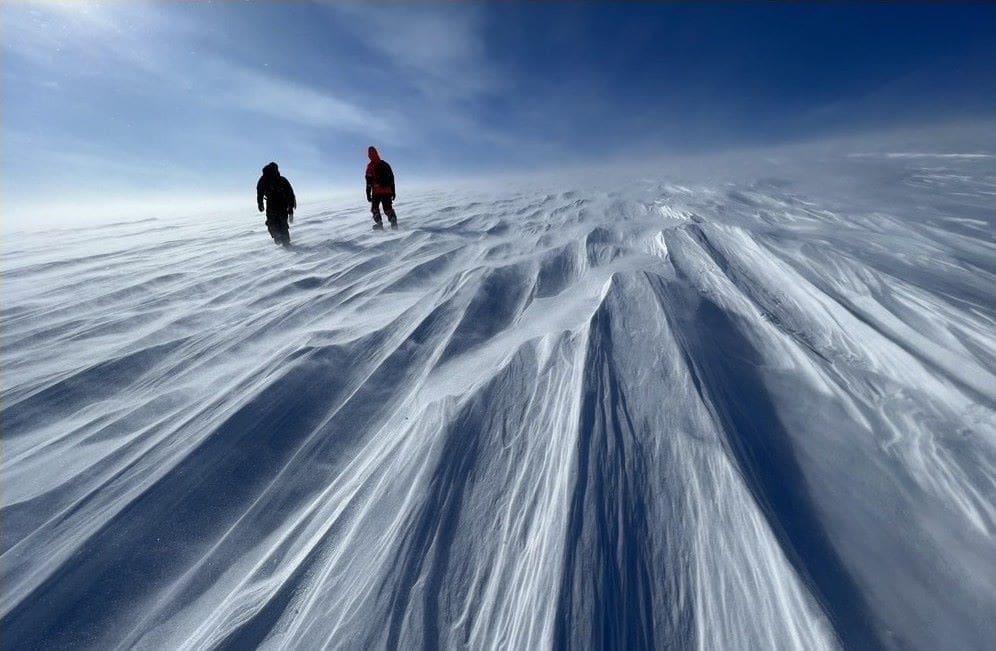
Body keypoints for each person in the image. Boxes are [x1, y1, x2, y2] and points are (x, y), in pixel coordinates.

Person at [256, 162, 296, 246]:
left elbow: (290, 193)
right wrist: (260, 204)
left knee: (278, 223)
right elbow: (260, 192)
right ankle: (282, 241)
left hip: (279, 204)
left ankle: (284, 242)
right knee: (276, 223)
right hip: (275, 204)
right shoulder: (265, 180)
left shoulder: (278, 180)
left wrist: (291, 208)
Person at [365, 146, 397, 229]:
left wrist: (368, 194)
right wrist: (393, 191)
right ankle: (393, 221)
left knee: (375, 208)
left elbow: (368, 182)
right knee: (387, 208)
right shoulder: (385, 164)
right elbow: (392, 178)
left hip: (376, 192)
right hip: (387, 190)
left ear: (369, 155)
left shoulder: (370, 166)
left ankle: (379, 224)